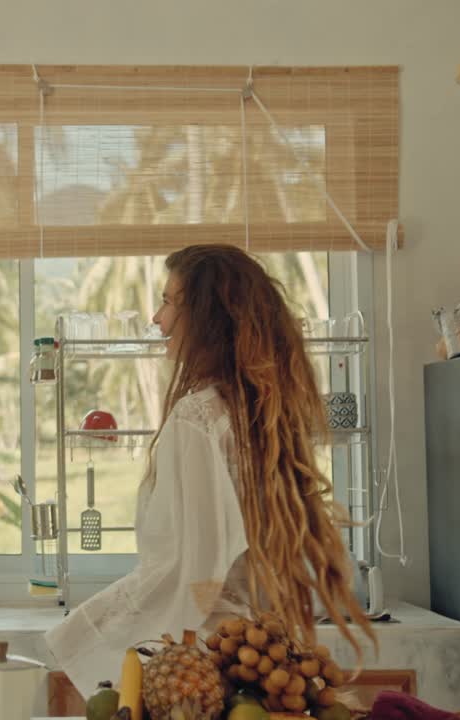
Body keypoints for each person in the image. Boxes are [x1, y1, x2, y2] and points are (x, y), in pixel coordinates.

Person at [45, 244, 373, 697]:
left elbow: (194, 573)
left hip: (204, 654)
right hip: (258, 652)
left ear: (205, 317)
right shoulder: (258, 416)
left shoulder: (197, 418)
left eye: (167, 302)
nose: (157, 318)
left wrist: (91, 627)